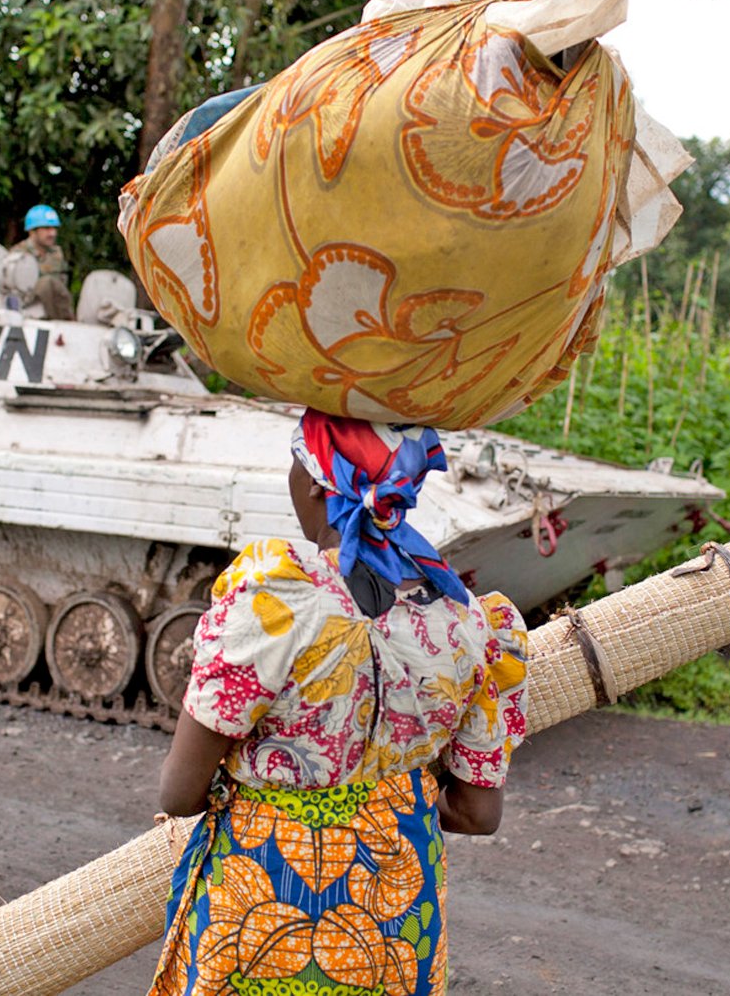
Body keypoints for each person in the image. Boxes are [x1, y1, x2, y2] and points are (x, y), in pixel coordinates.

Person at [149, 409, 529, 996]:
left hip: (262, 904)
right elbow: (479, 814)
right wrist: (385, 803)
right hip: (396, 916)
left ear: (312, 481)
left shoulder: (277, 604)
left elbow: (178, 794)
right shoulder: (469, 623)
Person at [10, 204, 73, 320]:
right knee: (46, 283)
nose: (52, 233)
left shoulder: (56, 253)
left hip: (57, 315)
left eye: (54, 228)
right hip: (26, 313)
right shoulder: (18, 255)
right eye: (47, 229)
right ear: (32, 231)